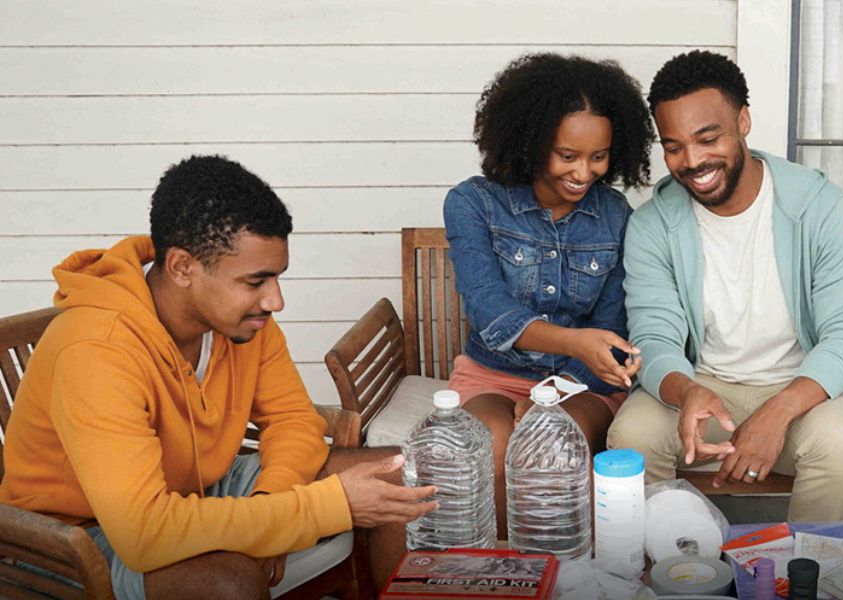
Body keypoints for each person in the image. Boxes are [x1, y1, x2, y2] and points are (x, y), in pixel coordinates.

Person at [0, 155, 437, 599]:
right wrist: (317, 510)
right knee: (229, 585)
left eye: (277, 278)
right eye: (255, 282)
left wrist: (274, 510)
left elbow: (294, 419)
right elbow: (143, 533)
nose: (275, 300)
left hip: (195, 487)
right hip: (71, 543)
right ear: (183, 268)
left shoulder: (243, 323)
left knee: (401, 474)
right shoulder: (95, 349)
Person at [607, 50, 843, 522]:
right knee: (632, 435)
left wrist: (778, 413)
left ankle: (806, 570)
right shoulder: (654, 225)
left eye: (708, 138)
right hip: (702, 384)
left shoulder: (822, 209)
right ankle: (655, 571)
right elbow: (654, 334)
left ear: (744, 121)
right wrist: (687, 392)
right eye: (673, 147)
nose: (692, 161)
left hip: (800, 387)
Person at [443, 53, 654, 535]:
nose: (584, 172)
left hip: (581, 383)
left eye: (598, 156)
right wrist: (575, 341)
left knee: (551, 443)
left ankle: (559, 572)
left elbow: (613, 325)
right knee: (493, 443)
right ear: (531, 142)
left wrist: (560, 388)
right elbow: (490, 311)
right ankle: (501, 572)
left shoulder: (615, 215)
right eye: (568, 155)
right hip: (493, 375)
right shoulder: (473, 203)